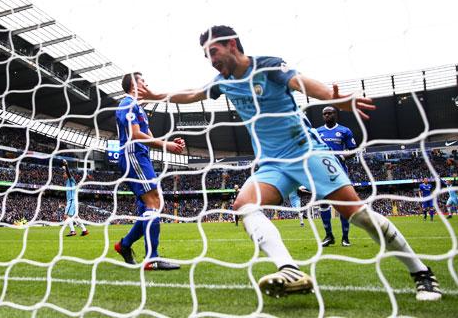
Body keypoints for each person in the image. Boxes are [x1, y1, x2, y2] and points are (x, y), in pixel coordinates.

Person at [139, 25, 441, 300]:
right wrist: (156, 95)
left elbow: (299, 81)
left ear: (231, 44)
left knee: (357, 215)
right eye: (207, 55)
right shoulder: (222, 82)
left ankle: (422, 273)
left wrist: (331, 97)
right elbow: (193, 94)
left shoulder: (268, 65)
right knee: (244, 205)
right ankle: (290, 270)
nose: (211, 60)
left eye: (214, 52)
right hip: (271, 164)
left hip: (306, 152)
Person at [113, 72, 184, 271]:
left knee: (150, 206)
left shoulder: (139, 109)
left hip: (141, 157)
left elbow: (148, 137)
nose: (146, 83)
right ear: (133, 85)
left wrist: (170, 144)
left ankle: (124, 245)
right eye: (142, 81)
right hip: (133, 156)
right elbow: (135, 135)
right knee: (154, 202)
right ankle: (151, 258)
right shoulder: (127, 103)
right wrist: (166, 144)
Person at [316, 106, 357, 247]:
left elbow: (353, 151)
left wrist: (344, 156)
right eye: (325, 114)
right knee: (323, 203)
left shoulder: (345, 131)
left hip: (340, 172)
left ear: (335, 114)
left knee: (343, 204)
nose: (327, 115)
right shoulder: (317, 132)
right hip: (322, 172)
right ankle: (329, 236)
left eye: (330, 113)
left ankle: (345, 238)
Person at [62, 159, 88, 237]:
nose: (63, 175)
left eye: (64, 174)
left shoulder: (71, 180)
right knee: (75, 217)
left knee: (66, 216)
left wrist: (66, 166)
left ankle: (72, 231)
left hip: (72, 201)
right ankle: (84, 230)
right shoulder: (68, 182)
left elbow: (69, 174)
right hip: (73, 201)